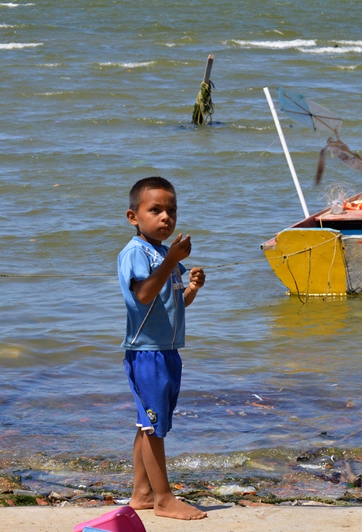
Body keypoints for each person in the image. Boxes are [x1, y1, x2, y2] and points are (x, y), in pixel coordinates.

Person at [117, 176, 207, 520]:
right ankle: (163, 499)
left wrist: (192, 287)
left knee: (148, 423)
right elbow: (142, 295)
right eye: (155, 210)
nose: (165, 217)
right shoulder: (136, 252)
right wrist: (171, 261)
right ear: (133, 216)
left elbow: (171, 304)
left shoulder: (162, 254)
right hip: (147, 353)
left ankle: (141, 493)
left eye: (171, 210)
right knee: (153, 427)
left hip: (166, 350)